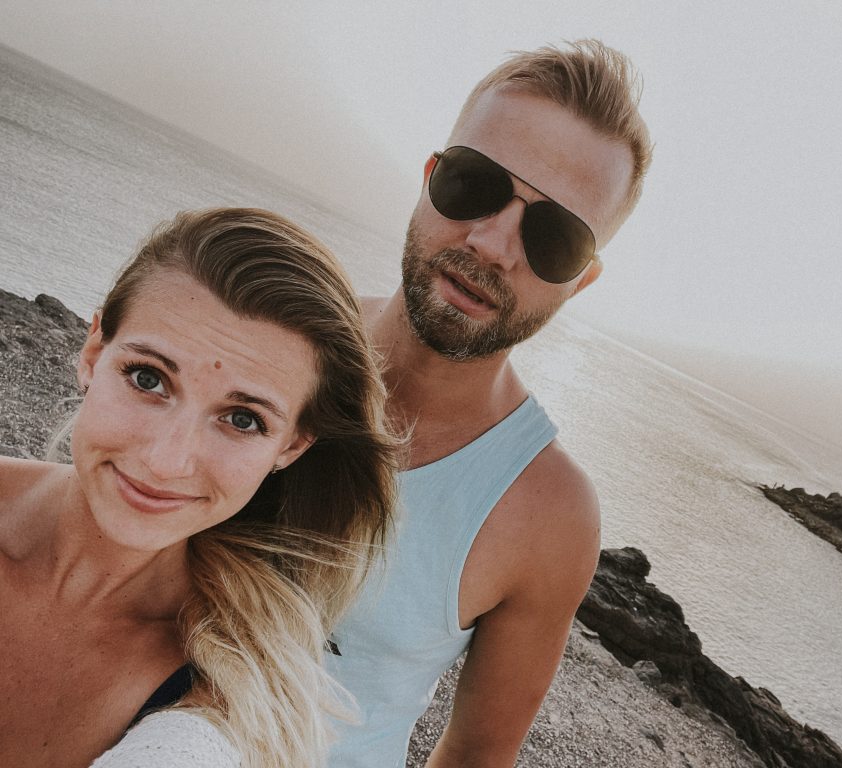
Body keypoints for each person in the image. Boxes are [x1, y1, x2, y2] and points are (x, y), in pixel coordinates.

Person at [327, 39, 653, 767]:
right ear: (429, 178)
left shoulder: (548, 513)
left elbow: (477, 756)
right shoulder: (280, 332)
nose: (494, 244)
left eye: (554, 237)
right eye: (474, 184)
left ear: (582, 280)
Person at [0, 208, 400, 767]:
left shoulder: (224, 702)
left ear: (291, 446)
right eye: (148, 379)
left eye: (242, 419)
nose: (165, 462)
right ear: (93, 353)